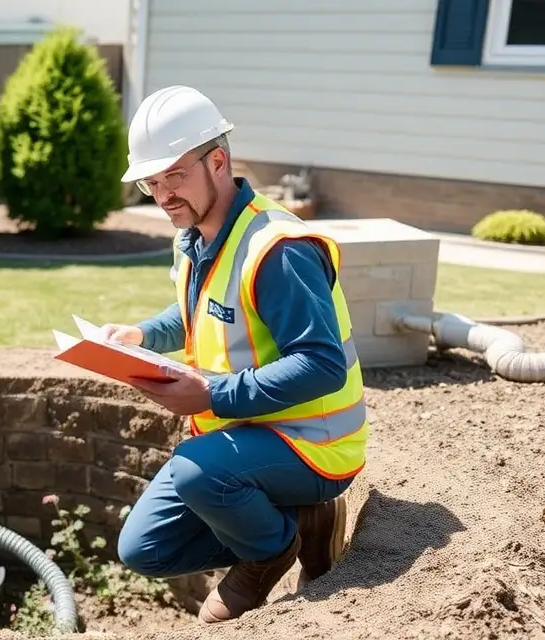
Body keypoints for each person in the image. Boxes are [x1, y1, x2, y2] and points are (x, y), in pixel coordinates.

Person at [102, 85, 369, 624]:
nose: (162, 195)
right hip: (250, 435)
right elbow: (199, 312)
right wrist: (140, 335)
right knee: (144, 550)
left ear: (217, 160)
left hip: (316, 444)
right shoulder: (197, 235)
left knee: (199, 472)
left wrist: (210, 394)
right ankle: (300, 521)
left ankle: (268, 553)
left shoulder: (278, 250)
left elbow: (321, 363)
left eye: (173, 176)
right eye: (151, 182)